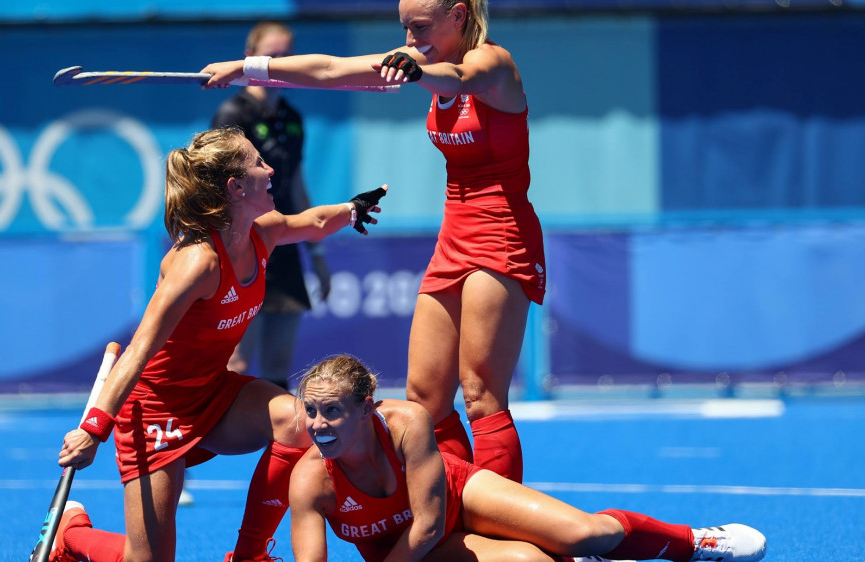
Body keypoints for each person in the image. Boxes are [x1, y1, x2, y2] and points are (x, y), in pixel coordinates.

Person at [201, 0, 544, 482]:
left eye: (419, 27)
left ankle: (507, 525)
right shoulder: (420, 61)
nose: (409, 39)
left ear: (459, 16)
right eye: (404, 28)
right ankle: (458, 509)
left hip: (502, 234)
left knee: (481, 394)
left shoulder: (492, 63)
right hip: (454, 236)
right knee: (425, 398)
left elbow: (460, 80)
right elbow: (330, 69)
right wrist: (248, 67)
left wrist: (417, 72)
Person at [48, 127, 388, 562]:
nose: (270, 169)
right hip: (155, 408)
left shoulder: (261, 233)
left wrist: (352, 209)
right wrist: (95, 428)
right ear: (236, 186)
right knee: (146, 559)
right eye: (258, 163)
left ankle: (248, 556)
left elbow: (316, 222)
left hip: (213, 392)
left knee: (298, 423)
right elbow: (139, 351)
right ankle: (72, 535)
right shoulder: (197, 263)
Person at [289, 355, 768, 562]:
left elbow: (430, 524)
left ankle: (697, 542)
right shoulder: (311, 479)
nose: (317, 425)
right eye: (310, 412)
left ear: (366, 407)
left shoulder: (406, 423)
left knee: (587, 531)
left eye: (332, 412)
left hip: (450, 503)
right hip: (409, 554)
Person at [212, 20, 331, 389]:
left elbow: (296, 184)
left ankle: (278, 448)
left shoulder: (293, 118)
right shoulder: (233, 114)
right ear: (250, 58)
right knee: (238, 361)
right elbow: (216, 188)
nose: (280, 62)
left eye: (287, 56)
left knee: (281, 367)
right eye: (272, 55)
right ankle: (215, 441)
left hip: (285, 245)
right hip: (245, 246)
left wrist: (318, 256)